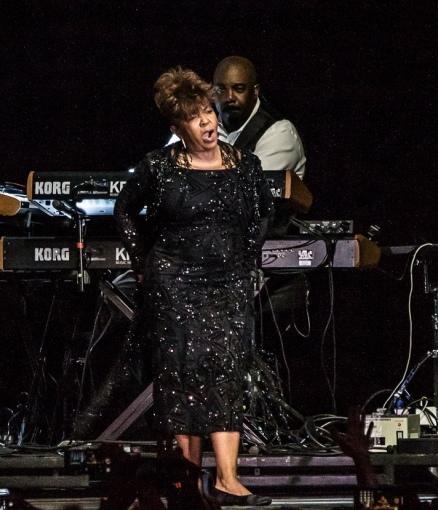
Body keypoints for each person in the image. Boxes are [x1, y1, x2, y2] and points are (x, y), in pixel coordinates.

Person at [114, 66, 275, 507]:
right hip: (174, 282)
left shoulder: (246, 164)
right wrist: (143, 262)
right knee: (181, 378)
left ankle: (227, 479)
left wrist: (245, 254)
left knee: (225, 374)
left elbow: (264, 212)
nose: (207, 121)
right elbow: (125, 209)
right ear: (176, 127)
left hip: (227, 282)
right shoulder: (159, 166)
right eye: (194, 116)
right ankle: (187, 482)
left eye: (208, 111)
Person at [213, 56, 306, 179]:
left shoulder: (279, 132)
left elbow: (245, 186)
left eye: (239, 89)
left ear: (255, 91)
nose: (230, 97)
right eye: (221, 89)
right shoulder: (203, 127)